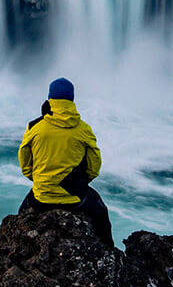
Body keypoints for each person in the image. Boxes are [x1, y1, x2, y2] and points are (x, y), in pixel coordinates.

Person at [17, 77, 113, 247]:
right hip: (75, 200)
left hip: (42, 198)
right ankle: (108, 249)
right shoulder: (83, 129)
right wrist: (82, 181)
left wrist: (38, 178)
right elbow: (95, 165)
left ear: (50, 99)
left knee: (21, 216)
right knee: (101, 212)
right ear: (72, 99)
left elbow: (24, 159)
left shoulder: (34, 127)